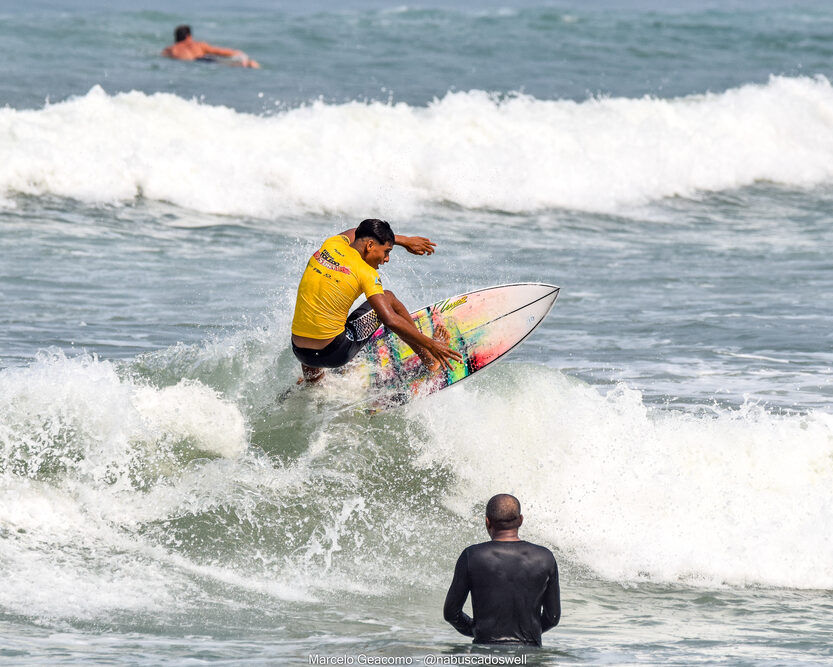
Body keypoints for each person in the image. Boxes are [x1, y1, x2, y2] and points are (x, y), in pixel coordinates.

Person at [291, 219, 462, 382]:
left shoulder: (331, 245)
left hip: (300, 352)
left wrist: (402, 241)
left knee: (316, 316)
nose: (386, 259)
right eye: (387, 251)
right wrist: (431, 344)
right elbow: (390, 320)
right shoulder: (366, 272)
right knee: (388, 298)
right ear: (370, 245)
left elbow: (355, 232)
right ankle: (430, 361)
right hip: (334, 353)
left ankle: (313, 381)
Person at [443, 493, 561, 647]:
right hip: (529, 650)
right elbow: (552, 617)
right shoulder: (545, 557)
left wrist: (476, 629)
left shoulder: (472, 555)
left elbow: (451, 613)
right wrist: (533, 633)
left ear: (487, 522)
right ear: (521, 520)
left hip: (485, 649)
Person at [162, 25, 260, 68]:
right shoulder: (198, 45)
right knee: (225, 63)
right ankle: (249, 64)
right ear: (188, 36)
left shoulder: (171, 49)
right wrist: (236, 52)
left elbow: (163, 56)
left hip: (185, 64)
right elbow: (219, 51)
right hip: (202, 60)